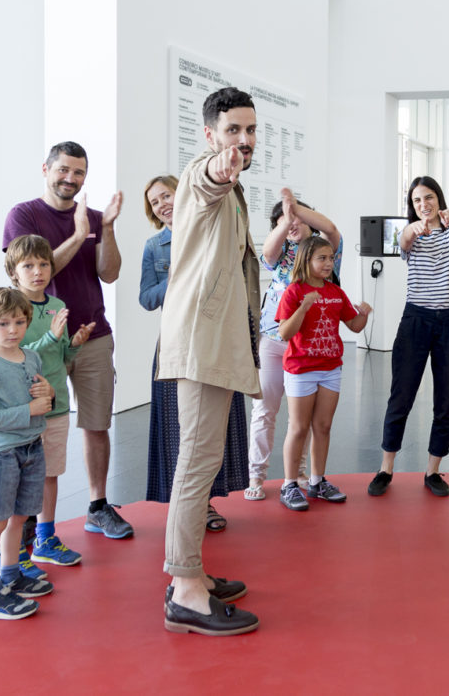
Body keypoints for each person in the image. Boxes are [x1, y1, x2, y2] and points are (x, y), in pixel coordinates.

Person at [156, 86, 262, 636]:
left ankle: (189, 572)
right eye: (232, 131)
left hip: (215, 341)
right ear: (210, 134)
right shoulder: (205, 174)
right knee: (197, 461)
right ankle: (185, 589)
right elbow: (205, 179)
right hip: (202, 342)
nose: (242, 141)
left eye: (249, 131)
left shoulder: (236, 189)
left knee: (205, 456)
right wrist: (220, 169)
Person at [3, 142, 132, 541]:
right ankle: (29, 520)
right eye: (63, 170)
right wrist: (78, 235)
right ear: (46, 169)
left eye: (78, 173)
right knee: (35, 427)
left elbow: (108, 274)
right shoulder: (23, 215)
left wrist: (104, 229)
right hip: (39, 341)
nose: (70, 179)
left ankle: (97, 505)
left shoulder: (93, 217)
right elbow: (29, 274)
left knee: (96, 424)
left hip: (91, 335)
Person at [140, 175, 249, 532]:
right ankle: (186, 509)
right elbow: (146, 298)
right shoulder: (155, 246)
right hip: (175, 344)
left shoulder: (207, 229)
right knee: (179, 429)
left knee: (215, 429)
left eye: (166, 196)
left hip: (215, 339)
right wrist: (174, 279)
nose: (162, 205)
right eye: (155, 203)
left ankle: (206, 503)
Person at [368, 176, 449, 498]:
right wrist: (412, 228)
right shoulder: (410, 233)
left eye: (428, 198)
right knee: (401, 396)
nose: (424, 205)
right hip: (416, 320)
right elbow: (405, 241)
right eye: (416, 201)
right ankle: (386, 467)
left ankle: (433, 470)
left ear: (439, 199)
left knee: (446, 400)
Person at [245, 189, 343, 500]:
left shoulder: (326, 254)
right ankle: (256, 477)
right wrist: (285, 220)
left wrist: (296, 209)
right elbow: (269, 251)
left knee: (302, 419)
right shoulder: (282, 256)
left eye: (299, 219)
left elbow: (330, 229)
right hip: (275, 343)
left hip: (310, 350)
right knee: (265, 410)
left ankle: (300, 472)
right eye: (282, 222)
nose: (290, 224)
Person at [5, 236, 94, 570]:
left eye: (43, 264)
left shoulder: (56, 305)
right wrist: (53, 337)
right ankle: (15, 549)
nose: (37, 271)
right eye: (28, 265)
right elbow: (19, 353)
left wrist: (73, 343)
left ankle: (45, 537)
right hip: (26, 410)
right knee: (22, 477)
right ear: (14, 272)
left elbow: (59, 356)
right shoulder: (12, 308)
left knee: (50, 474)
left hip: (56, 406)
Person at [0, 287, 56, 619]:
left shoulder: (31, 357)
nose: (12, 330)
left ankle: (10, 575)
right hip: (1, 455)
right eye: (3, 324)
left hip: (32, 447)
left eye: (19, 322)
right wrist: (31, 410)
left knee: (19, 518)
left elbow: (42, 399)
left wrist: (46, 394)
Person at [274, 235, 371, 510]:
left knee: (323, 427)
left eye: (330, 258)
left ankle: (317, 481)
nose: (328, 263)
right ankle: (289, 484)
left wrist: (363, 314)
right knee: (299, 428)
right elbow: (284, 332)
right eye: (322, 258)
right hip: (301, 368)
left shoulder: (335, 292)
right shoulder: (294, 291)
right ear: (307, 260)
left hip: (330, 368)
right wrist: (304, 307)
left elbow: (353, 325)